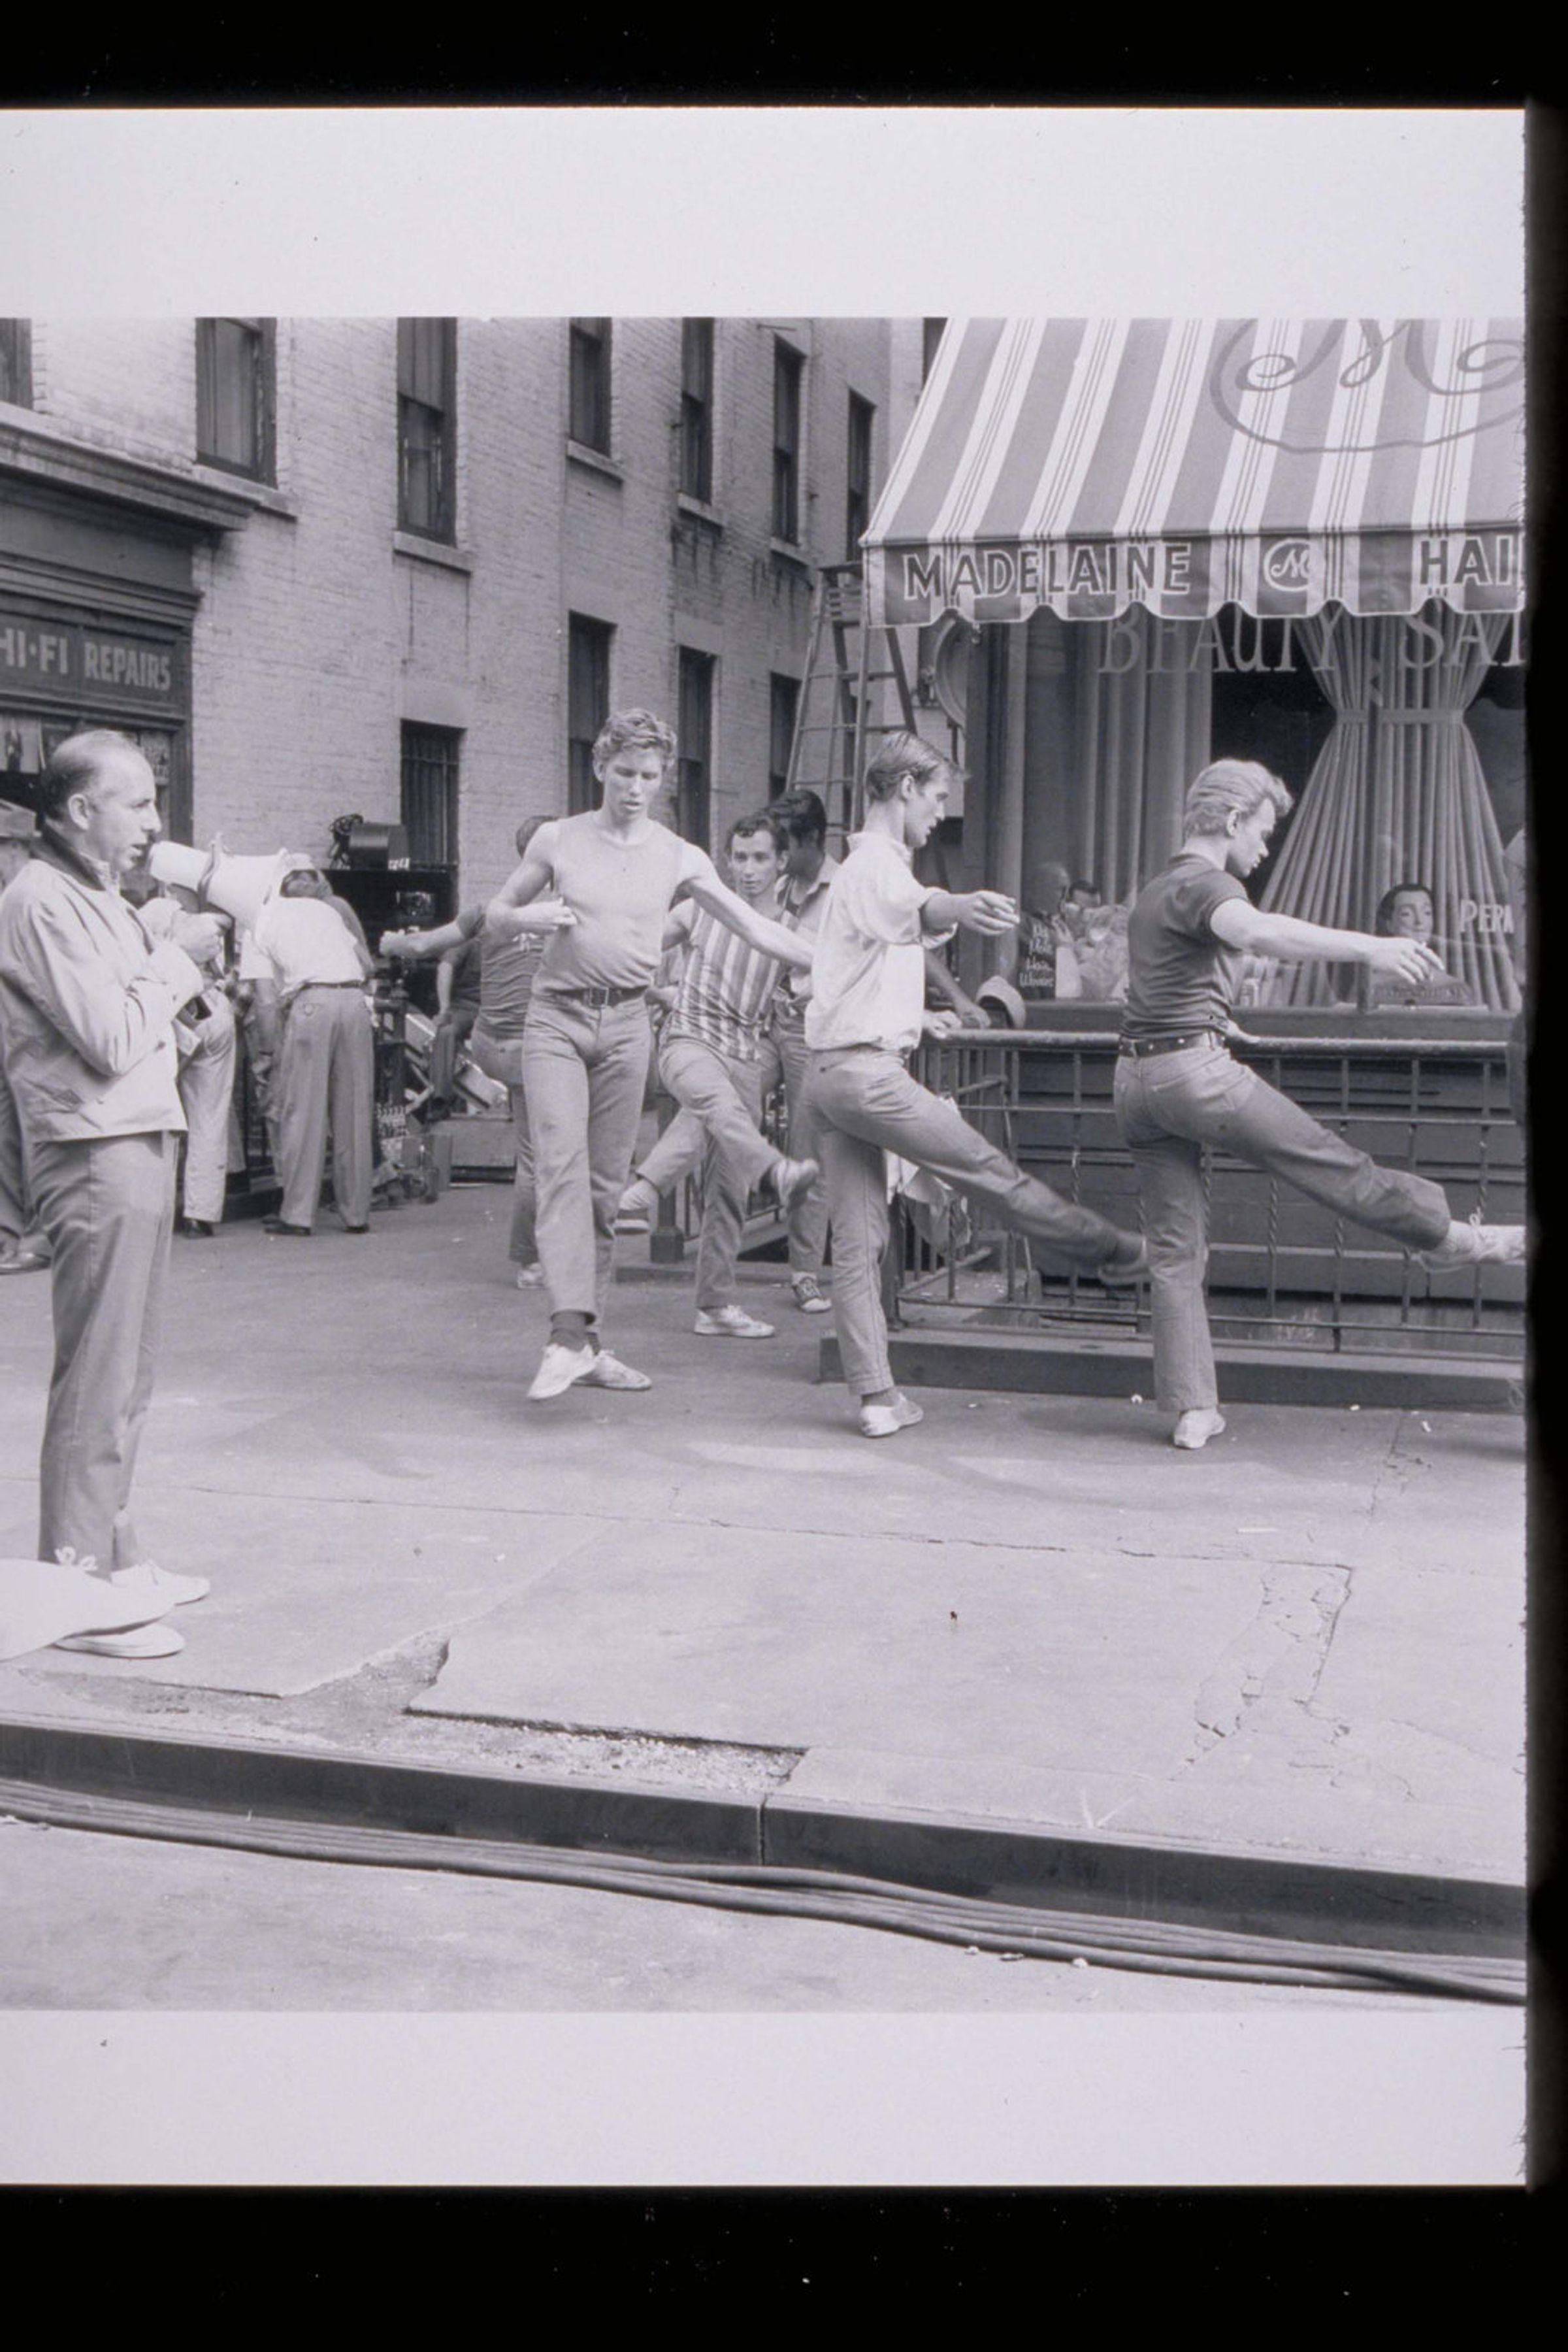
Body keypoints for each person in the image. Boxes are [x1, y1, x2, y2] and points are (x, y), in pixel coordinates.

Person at [1114, 758, 1526, 1452]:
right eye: (1262, 831)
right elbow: (1258, 932)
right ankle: (1452, 1240)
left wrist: (1217, 1022)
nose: (1264, 848)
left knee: (1177, 1253)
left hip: (1134, 1081)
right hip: (1195, 1076)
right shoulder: (1210, 883)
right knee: (1330, 1162)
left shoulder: (1157, 889)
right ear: (1232, 820)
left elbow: (1164, 989)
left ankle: (1193, 1409)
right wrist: (1372, 949)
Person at [804, 730, 1147, 1440]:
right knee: (987, 1171)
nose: (940, 813)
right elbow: (920, 907)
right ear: (904, 789)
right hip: (868, 1075)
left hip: (832, 1072)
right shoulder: (876, 863)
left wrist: (916, 1014)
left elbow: (868, 961)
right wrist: (960, 906)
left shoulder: (858, 872)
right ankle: (1113, 1252)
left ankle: (876, 1396)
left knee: (859, 1241)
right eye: (935, 797)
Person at [486, 708, 815, 1402]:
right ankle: (565, 1334)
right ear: (599, 767)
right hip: (557, 1018)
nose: (636, 788)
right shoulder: (557, 838)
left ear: (663, 779)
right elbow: (495, 914)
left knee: (605, 1190)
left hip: (628, 1022)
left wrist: (840, 963)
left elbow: (754, 926)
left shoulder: (681, 855)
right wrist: (525, 917)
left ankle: (587, 1344)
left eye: (650, 776)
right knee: (560, 1165)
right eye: (625, 773)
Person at [0, 729, 220, 1657]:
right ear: (79, 809)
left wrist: (184, 987)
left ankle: (115, 1559)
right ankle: (75, 1589)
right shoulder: (40, 898)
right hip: (96, 1148)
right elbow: (108, 1035)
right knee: (100, 1374)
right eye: (137, 802)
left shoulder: (91, 893)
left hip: (129, 1137)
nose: (154, 822)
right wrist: (178, 960)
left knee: (125, 1370)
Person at [620, 809, 811, 1340]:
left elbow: (825, 982)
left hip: (744, 1057)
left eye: (760, 858)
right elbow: (634, 949)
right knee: (715, 1106)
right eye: (740, 857)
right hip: (690, 1041)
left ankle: (715, 1306)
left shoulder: (791, 932)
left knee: (729, 1189)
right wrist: (654, 989)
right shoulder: (698, 908)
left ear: (781, 862)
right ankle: (645, 1189)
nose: (748, 870)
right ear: (726, 860)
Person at [382, 814, 569, 1287]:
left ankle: (539, 1254)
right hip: (534, 1048)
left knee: (539, 1151)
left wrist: (391, 941)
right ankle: (533, 1259)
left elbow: (423, 945)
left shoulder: (488, 912)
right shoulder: (564, 913)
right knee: (542, 1157)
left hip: (491, 1042)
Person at [253, 863, 377, 1236]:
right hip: (353, 1002)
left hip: (312, 1004)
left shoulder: (263, 918)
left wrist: (268, 1050)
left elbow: (265, 997)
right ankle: (356, 1213)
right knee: (353, 1110)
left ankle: (298, 1214)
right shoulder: (330, 913)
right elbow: (366, 964)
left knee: (303, 1111)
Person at [125, 872, 239, 1239]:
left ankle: (153, 1210)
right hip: (213, 1010)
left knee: (158, 1114)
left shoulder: (149, 914)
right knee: (209, 1115)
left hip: (175, 1014)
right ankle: (200, 1213)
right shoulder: (201, 922)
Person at [0, 802, 51, 1276]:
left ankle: (39, 1237)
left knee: (35, 1133)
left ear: (15, 844)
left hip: (30, 1033)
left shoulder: (34, 894)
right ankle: (8, 1231)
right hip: (7, 1031)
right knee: (6, 1132)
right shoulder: (9, 893)